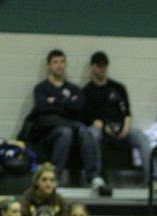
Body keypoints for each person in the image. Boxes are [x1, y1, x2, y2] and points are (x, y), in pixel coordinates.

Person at [24, 50, 110, 195]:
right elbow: (43, 106)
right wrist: (67, 103)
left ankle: (94, 176)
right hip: (49, 131)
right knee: (65, 132)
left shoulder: (73, 88)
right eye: (55, 62)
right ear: (49, 66)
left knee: (86, 130)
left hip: (73, 129)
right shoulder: (41, 88)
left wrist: (55, 101)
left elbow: (79, 105)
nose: (59, 65)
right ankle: (55, 177)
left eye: (62, 62)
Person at [83, 51, 157, 188]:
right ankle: (95, 176)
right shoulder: (87, 91)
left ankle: (154, 178)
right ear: (92, 67)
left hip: (121, 125)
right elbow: (91, 118)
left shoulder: (118, 88)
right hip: (101, 127)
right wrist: (105, 128)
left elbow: (127, 112)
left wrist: (126, 126)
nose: (102, 69)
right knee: (92, 134)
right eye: (99, 66)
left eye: (105, 66)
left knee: (142, 137)